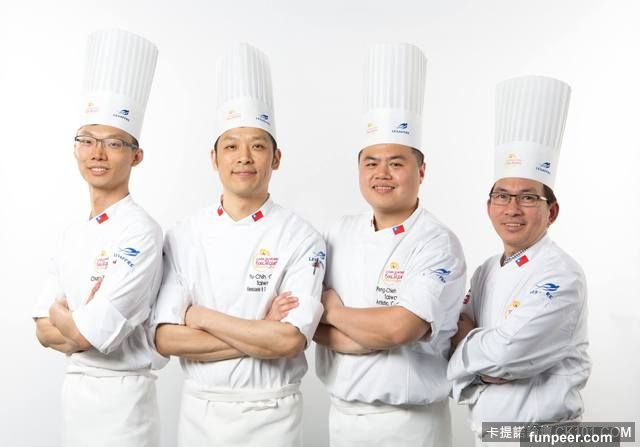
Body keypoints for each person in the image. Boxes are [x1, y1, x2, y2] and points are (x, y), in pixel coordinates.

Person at [152, 42, 325, 447]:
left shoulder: (301, 237)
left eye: (258, 145)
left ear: (276, 158)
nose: (244, 157)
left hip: (273, 416)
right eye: (231, 146)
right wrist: (260, 331)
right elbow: (165, 339)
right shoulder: (184, 234)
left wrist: (200, 316)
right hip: (199, 416)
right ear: (214, 158)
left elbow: (289, 341)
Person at [314, 43, 466, 447]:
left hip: (411, 426)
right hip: (342, 421)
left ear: (422, 170)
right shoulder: (337, 233)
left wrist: (334, 312)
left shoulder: (437, 242)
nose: (382, 173)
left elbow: (401, 328)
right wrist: (367, 333)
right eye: (371, 162)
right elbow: (306, 322)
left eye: (396, 163)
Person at [32, 29, 162, 447]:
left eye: (113, 143)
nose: (97, 153)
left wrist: (66, 317)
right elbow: (42, 331)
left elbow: (90, 335)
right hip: (75, 399)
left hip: (124, 406)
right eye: (87, 141)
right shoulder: (71, 234)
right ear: (76, 149)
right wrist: (77, 323)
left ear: (136, 156)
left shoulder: (141, 231)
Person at [447, 76, 591, 447]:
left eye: (528, 198)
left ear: (552, 211)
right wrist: (486, 366)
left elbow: (509, 353)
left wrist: (475, 351)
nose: (512, 208)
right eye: (502, 196)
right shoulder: (484, 272)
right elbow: (451, 338)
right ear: (489, 206)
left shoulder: (562, 275)